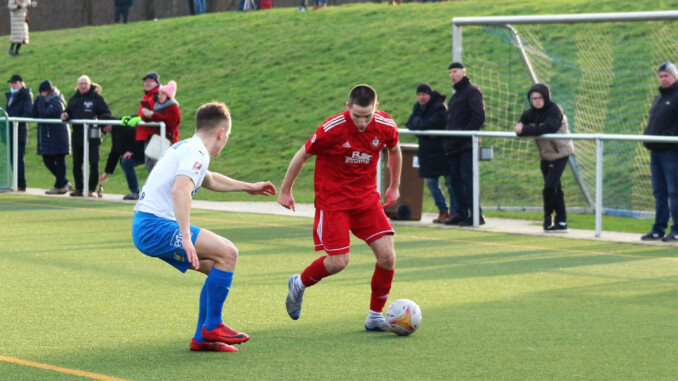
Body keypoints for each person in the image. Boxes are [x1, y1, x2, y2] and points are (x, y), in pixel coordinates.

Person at [132, 102, 276, 352]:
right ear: (221, 133)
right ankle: (213, 325)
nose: (226, 140)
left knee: (216, 267)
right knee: (228, 252)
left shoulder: (189, 148)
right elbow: (181, 190)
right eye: (228, 136)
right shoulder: (196, 152)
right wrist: (186, 237)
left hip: (147, 226)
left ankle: (201, 338)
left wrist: (248, 186)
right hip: (154, 226)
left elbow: (208, 179)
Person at [278, 84, 402, 332]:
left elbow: (394, 150)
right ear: (348, 108)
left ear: (376, 108)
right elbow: (302, 155)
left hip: (366, 199)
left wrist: (394, 186)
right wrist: (285, 190)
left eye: (367, 116)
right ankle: (299, 283)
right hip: (333, 201)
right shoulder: (332, 129)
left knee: (388, 257)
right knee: (338, 262)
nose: (362, 122)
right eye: (357, 116)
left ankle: (375, 316)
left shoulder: (386, 126)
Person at [515, 83, 574, 232]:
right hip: (545, 156)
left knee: (549, 187)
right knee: (555, 189)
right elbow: (520, 127)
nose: (537, 101)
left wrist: (525, 129)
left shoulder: (554, 110)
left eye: (540, 98)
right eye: (534, 98)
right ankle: (561, 222)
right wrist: (520, 128)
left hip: (560, 153)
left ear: (546, 97)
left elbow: (548, 128)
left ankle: (548, 216)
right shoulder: (530, 113)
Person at [405, 83, 456, 224]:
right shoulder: (418, 107)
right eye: (419, 95)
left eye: (424, 95)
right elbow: (410, 123)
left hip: (443, 150)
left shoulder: (439, 106)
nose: (421, 98)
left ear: (429, 94)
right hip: (427, 152)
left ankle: (454, 213)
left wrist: (420, 124)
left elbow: (432, 124)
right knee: (431, 182)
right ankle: (442, 210)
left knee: (450, 182)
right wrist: (422, 125)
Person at [443, 62, 486, 227]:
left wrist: (464, 134)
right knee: (456, 180)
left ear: (463, 72)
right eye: (450, 72)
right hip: (454, 145)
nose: (453, 74)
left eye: (455, 71)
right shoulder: (456, 95)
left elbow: (478, 117)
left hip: (467, 145)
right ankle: (461, 213)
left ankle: (476, 215)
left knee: (468, 179)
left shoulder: (472, 91)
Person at [641, 62, 678, 242]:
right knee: (659, 192)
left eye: (666, 76)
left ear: (674, 77)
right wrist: (648, 135)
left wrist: (666, 136)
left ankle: (677, 229)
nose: (663, 79)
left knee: (674, 191)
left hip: (671, 152)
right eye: (661, 76)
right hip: (656, 151)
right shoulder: (659, 98)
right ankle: (658, 229)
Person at [62, 75, 112, 197]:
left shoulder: (97, 98)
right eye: (81, 84)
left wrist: (103, 130)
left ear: (89, 85)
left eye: (85, 84)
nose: (83, 86)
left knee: (93, 162)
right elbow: (69, 111)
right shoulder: (74, 99)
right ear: (77, 86)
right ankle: (79, 188)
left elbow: (106, 114)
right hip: (77, 135)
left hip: (92, 136)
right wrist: (65, 115)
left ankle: (91, 189)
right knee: (76, 163)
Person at [33, 80, 71, 195]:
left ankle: (59, 186)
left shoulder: (56, 101)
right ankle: (64, 183)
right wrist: (37, 102)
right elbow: (34, 114)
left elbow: (45, 114)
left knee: (59, 160)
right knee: (47, 159)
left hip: (59, 136)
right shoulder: (45, 101)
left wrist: (39, 101)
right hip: (49, 137)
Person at [99, 123, 145, 200]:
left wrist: (132, 150)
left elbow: (136, 135)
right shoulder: (115, 133)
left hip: (144, 151)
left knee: (126, 162)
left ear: (107, 125)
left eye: (103, 129)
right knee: (125, 162)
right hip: (139, 152)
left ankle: (135, 192)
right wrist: (106, 172)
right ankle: (135, 191)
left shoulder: (122, 128)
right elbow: (114, 153)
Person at [126, 71, 161, 172]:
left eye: (150, 81)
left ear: (157, 83)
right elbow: (144, 114)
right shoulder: (148, 95)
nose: (147, 83)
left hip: (155, 134)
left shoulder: (157, 96)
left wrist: (140, 119)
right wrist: (132, 118)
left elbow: (156, 114)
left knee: (154, 166)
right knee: (150, 165)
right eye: (146, 81)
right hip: (148, 134)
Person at [4, 74, 32, 191]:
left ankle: (21, 184)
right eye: (12, 83)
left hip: (19, 131)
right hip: (10, 131)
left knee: (18, 159)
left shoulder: (26, 95)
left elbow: (27, 112)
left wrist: (16, 122)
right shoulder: (11, 96)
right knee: (12, 159)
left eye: (15, 83)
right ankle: (16, 183)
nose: (13, 85)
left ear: (21, 83)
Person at [140, 80, 181, 156]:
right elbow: (150, 119)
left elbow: (169, 121)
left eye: (162, 94)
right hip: (158, 139)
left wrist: (152, 115)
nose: (159, 96)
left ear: (167, 96)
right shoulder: (158, 106)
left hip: (169, 141)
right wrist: (146, 115)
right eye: (159, 94)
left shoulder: (173, 107)